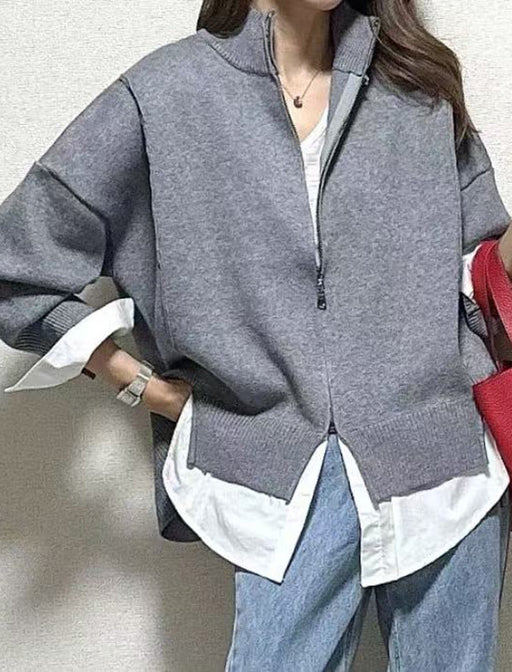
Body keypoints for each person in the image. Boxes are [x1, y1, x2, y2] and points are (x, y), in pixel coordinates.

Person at [1, 0, 511, 669]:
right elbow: (17, 269)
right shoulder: (164, 96)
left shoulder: (419, 91)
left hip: (448, 470)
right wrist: (148, 391)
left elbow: (479, 278)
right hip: (280, 481)